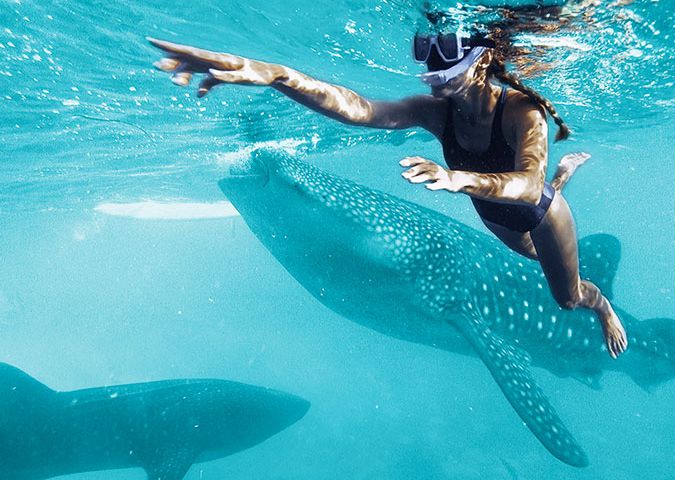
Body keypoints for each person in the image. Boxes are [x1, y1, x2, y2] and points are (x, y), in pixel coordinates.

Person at [147, 29, 628, 358]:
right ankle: (562, 174)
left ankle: (601, 303)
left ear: (481, 64)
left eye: (446, 75)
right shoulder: (438, 110)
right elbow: (359, 109)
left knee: (567, 297)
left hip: (538, 212)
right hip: (495, 215)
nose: (435, 84)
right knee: (519, 243)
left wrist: (459, 179)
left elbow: (525, 185)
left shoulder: (522, 110)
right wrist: (277, 75)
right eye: (431, 75)